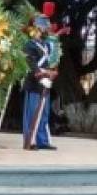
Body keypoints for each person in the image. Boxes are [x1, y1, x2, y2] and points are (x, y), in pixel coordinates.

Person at [22, 10, 59, 150]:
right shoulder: (29, 45)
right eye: (42, 26)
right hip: (33, 82)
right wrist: (41, 72)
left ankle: (42, 141)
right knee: (32, 112)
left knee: (44, 113)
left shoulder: (46, 45)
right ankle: (30, 141)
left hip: (45, 82)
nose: (44, 29)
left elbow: (49, 62)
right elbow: (30, 63)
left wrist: (52, 72)